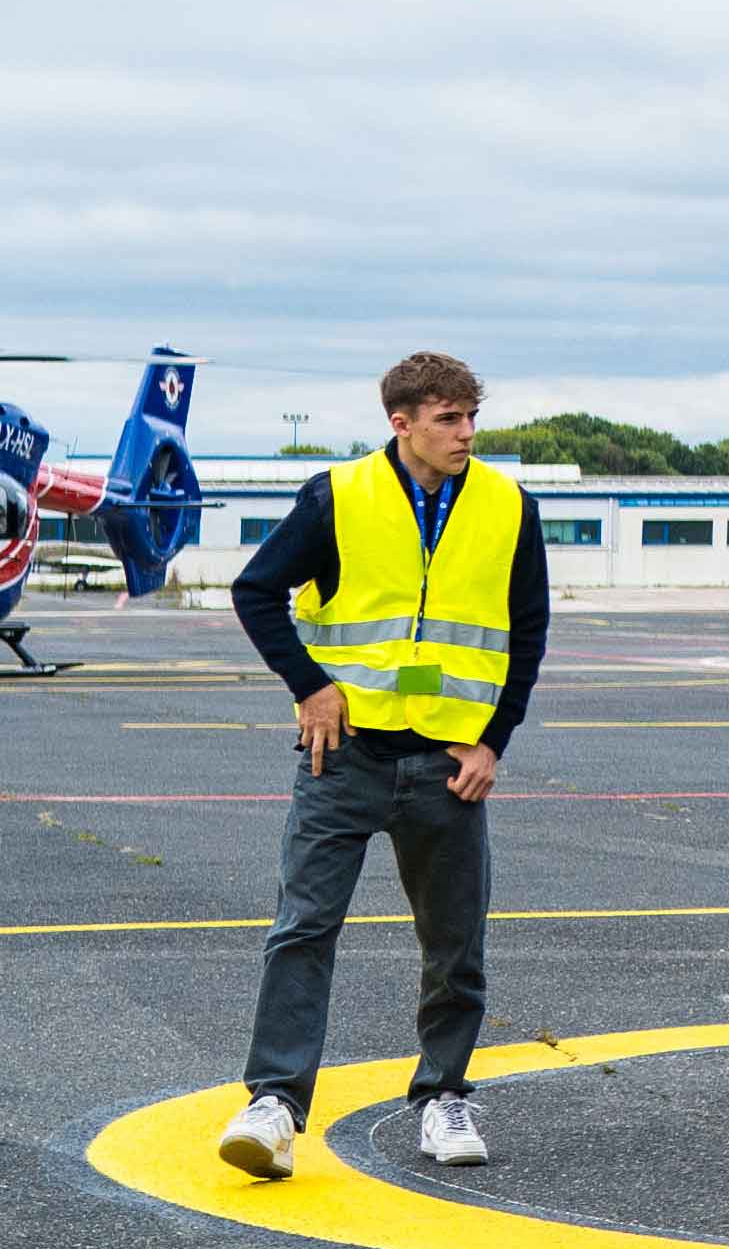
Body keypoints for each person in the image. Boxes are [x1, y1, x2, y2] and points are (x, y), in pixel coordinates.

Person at [221, 351, 543, 1182]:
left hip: (448, 766)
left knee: (454, 943)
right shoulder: (339, 497)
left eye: (471, 416)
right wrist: (310, 687)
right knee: (303, 929)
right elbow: (256, 590)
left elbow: (526, 632)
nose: (465, 433)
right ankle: (274, 1105)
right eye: (447, 419)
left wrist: (492, 741)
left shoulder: (510, 507)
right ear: (401, 423)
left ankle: (444, 1098)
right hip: (344, 759)